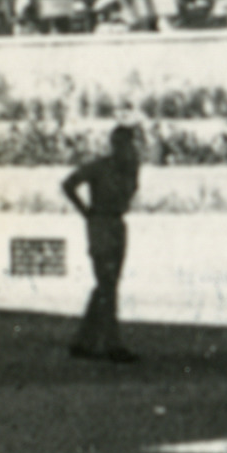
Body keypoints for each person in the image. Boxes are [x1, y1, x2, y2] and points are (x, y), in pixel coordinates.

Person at [61, 119, 143, 363]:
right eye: (118, 143)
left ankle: (83, 340)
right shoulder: (100, 167)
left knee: (107, 284)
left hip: (116, 223)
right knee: (107, 284)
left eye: (126, 144)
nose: (123, 148)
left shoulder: (130, 168)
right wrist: (85, 212)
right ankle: (112, 343)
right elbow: (68, 184)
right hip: (101, 223)